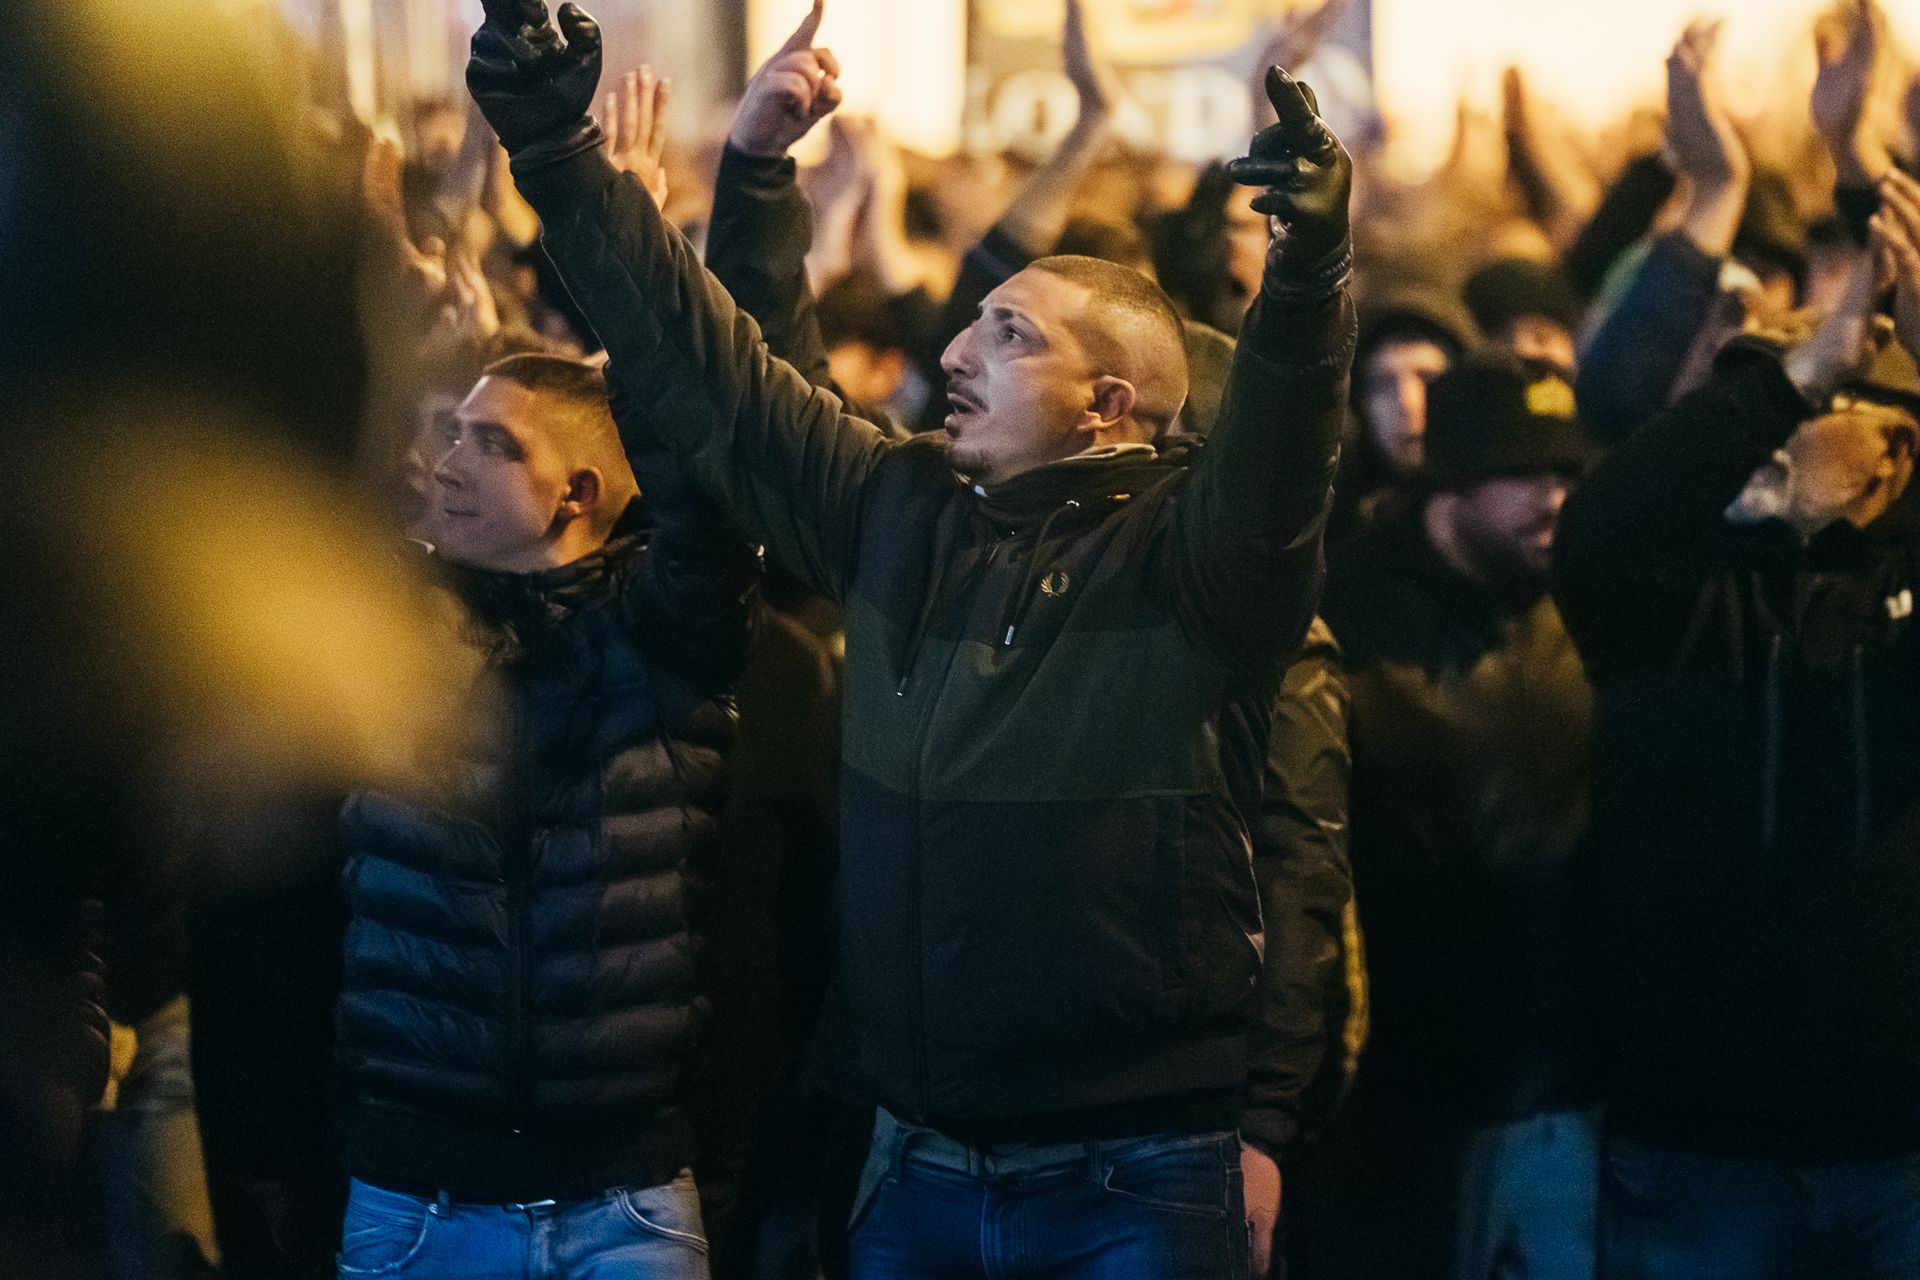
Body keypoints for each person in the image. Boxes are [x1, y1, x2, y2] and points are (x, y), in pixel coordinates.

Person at [464, 0, 1353, 1272]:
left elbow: (1280, 457)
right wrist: (555, 145)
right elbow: (709, 369)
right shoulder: (901, 508)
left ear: (1110, 405)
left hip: (1131, 1171)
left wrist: (1311, 277)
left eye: (1010, 333)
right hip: (914, 1153)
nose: (954, 350)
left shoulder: (1198, 565)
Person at [1553, 171, 1920, 1280]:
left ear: (1898, 448)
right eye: (1760, 405)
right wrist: (1798, 368)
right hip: (1696, 1143)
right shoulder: (1667, 598)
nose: (1775, 427)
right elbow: (1613, 514)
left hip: (1900, 1148)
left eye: (1818, 406)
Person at [331, 352, 756, 1280]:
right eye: (452, 435)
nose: (447, 464)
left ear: (578, 492)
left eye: (492, 445)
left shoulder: (665, 637)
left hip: (622, 1208)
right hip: (416, 1199)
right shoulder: (387, 620)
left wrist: (637, 325)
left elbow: (709, 510)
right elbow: (300, 468)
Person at [1310, 357, 1599, 1280]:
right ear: (1453, 479)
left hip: (1555, 1082)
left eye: (1567, 475)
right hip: (1395, 1096)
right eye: (1527, 475)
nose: (1556, 499)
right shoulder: (1346, 614)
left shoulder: (1579, 606)